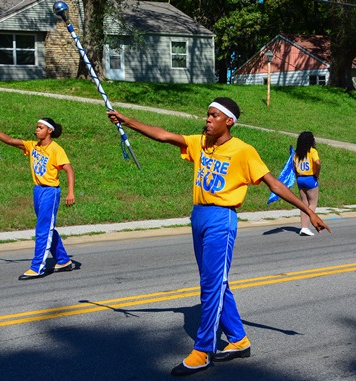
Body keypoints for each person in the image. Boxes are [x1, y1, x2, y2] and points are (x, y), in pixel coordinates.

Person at [107, 97, 331, 377]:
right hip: (198, 215)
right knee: (215, 283)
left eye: (213, 115)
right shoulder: (200, 143)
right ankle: (238, 340)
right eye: (207, 115)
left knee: (211, 287)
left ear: (229, 121)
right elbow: (163, 135)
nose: (207, 119)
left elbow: (273, 183)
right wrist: (127, 120)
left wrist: (308, 211)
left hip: (221, 219)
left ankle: (203, 351)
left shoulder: (243, 151)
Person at [0, 118, 75, 281]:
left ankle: (37, 267)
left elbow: (69, 170)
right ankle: (63, 260)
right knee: (47, 226)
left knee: (43, 229)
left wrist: (70, 193)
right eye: (37, 127)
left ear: (49, 131)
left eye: (40, 128)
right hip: (38, 190)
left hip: (50, 192)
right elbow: (10, 140)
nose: (37, 130)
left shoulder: (56, 149)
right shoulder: (33, 146)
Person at [293, 131, 321, 236]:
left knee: (303, 204)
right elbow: (317, 162)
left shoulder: (297, 153)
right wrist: (317, 174)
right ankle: (307, 227)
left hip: (300, 178)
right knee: (312, 203)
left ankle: (303, 227)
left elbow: (294, 166)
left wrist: (297, 177)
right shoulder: (312, 151)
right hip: (310, 178)